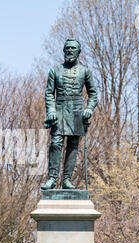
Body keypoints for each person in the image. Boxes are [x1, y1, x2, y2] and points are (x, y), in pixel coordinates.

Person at [41, 38, 98, 190]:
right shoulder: (55, 71)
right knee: (56, 143)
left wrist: (89, 109)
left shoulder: (85, 71)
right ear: (64, 50)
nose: (70, 50)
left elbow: (93, 94)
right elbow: (49, 93)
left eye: (73, 48)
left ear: (78, 52)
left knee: (73, 146)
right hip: (59, 109)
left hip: (77, 111)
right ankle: (52, 178)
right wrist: (51, 110)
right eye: (67, 48)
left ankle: (67, 179)